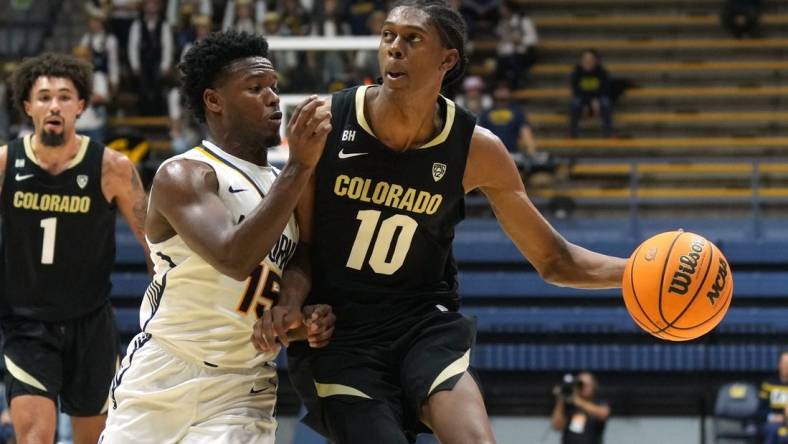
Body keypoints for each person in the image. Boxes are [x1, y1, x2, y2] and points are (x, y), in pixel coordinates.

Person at [254, 1, 627, 443]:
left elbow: (554, 260)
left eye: (412, 39)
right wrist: (293, 307)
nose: (395, 48)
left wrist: (638, 271)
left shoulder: (476, 148)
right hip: (341, 335)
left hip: (421, 324)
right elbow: (303, 249)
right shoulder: (329, 125)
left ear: (447, 60)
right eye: (388, 35)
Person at [100, 30, 335, 444]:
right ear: (214, 101)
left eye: (275, 87)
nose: (274, 98)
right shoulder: (186, 175)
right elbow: (233, 257)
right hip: (166, 372)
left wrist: (292, 307)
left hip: (243, 385)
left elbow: (301, 255)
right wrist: (299, 166)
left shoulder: (285, 184)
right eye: (256, 88)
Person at [0, 52, 149, 444]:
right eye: (44, 96)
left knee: (95, 440)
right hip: (27, 325)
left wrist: (164, 311)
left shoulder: (112, 167)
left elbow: (155, 243)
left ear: (81, 106)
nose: (54, 105)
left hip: (91, 324)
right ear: (27, 106)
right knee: (34, 437)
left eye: (65, 96)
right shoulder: (4, 164)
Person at [551, 372, 610, 444]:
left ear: (594, 386)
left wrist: (577, 400)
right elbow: (557, 426)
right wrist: (561, 400)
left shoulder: (599, 402)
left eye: (587, 385)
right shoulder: (569, 404)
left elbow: (603, 414)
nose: (583, 387)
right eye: (581, 385)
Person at [569, 49, 613, 138]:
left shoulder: (602, 72)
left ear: (596, 61)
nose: (588, 62)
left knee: (606, 103)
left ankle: (607, 131)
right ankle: (573, 132)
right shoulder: (577, 73)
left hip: (598, 98)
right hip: (583, 97)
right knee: (575, 103)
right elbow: (576, 91)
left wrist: (595, 99)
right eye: (585, 60)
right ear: (581, 61)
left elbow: (605, 89)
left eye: (590, 60)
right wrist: (587, 102)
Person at [760, 351, 788, 443]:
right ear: (779, 365)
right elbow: (760, 411)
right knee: (773, 430)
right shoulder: (768, 385)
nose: (786, 366)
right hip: (773, 423)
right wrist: (772, 417)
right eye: (784, 363)